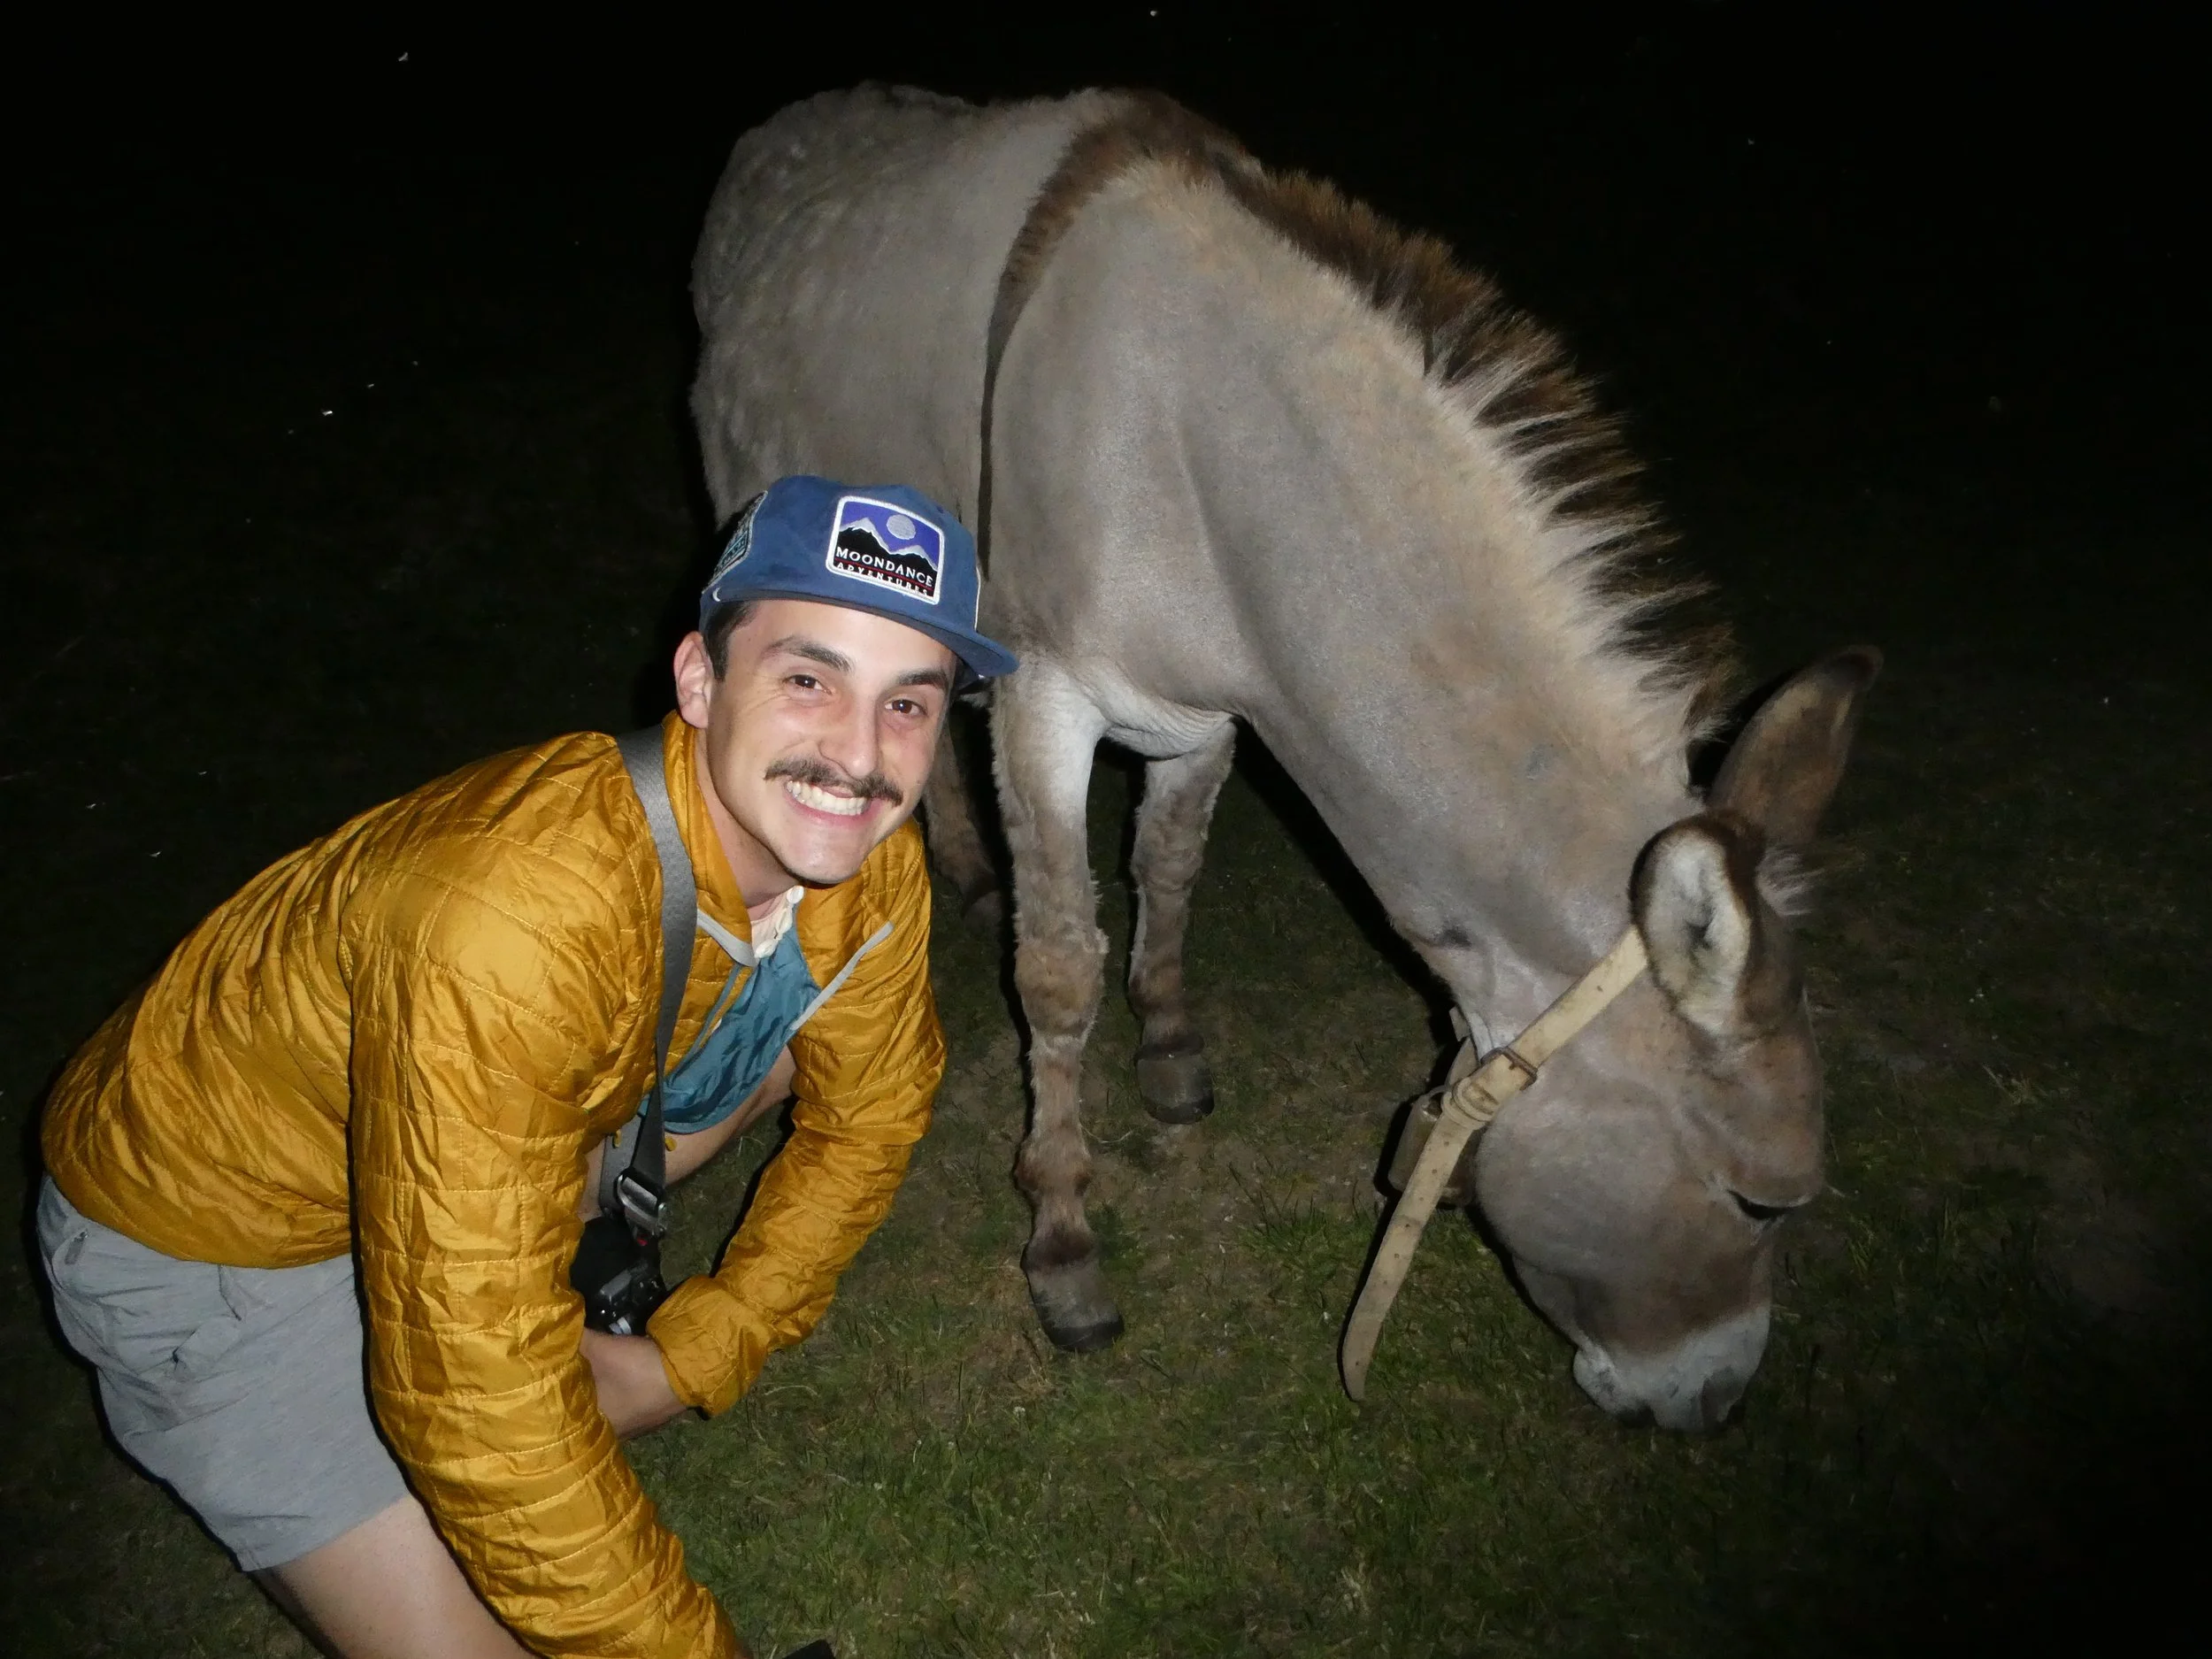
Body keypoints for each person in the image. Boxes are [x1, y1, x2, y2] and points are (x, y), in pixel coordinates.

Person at [36, 475, 1018, 1658]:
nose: (858, 758)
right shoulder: (505, 916)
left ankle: (494, 1331)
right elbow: (478, 1402)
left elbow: (874, 1114)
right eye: (809, 678)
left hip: (452, 1134)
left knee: (799, 1063)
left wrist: (689, 1353)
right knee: (478, 1551)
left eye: (907, 703)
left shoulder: (865, 863)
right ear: (700, 682)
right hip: (211, 1240)